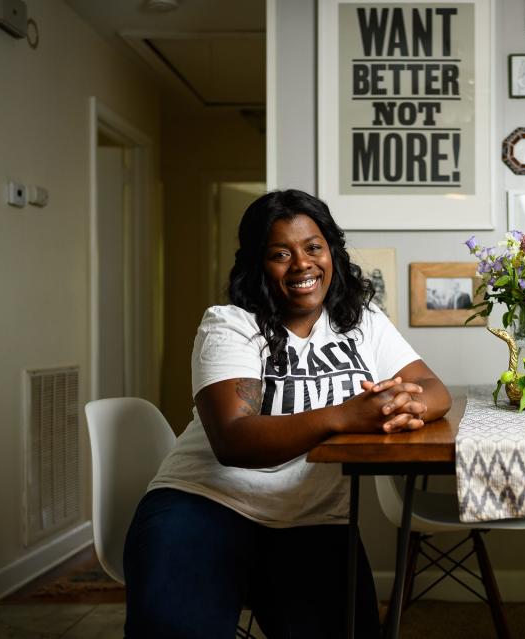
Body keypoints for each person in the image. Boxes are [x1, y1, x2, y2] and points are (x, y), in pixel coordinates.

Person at [122, 189, 452, 638]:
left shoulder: (362, 321)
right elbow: (234, 440)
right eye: (281, 254)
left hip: (313, 522)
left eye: (313, 247)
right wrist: (343, 416)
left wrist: (403, 405)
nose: (302, 265)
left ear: (331, 251)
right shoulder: (232, 325)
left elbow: (435, 390)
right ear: (257, 263)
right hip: (205, 507)